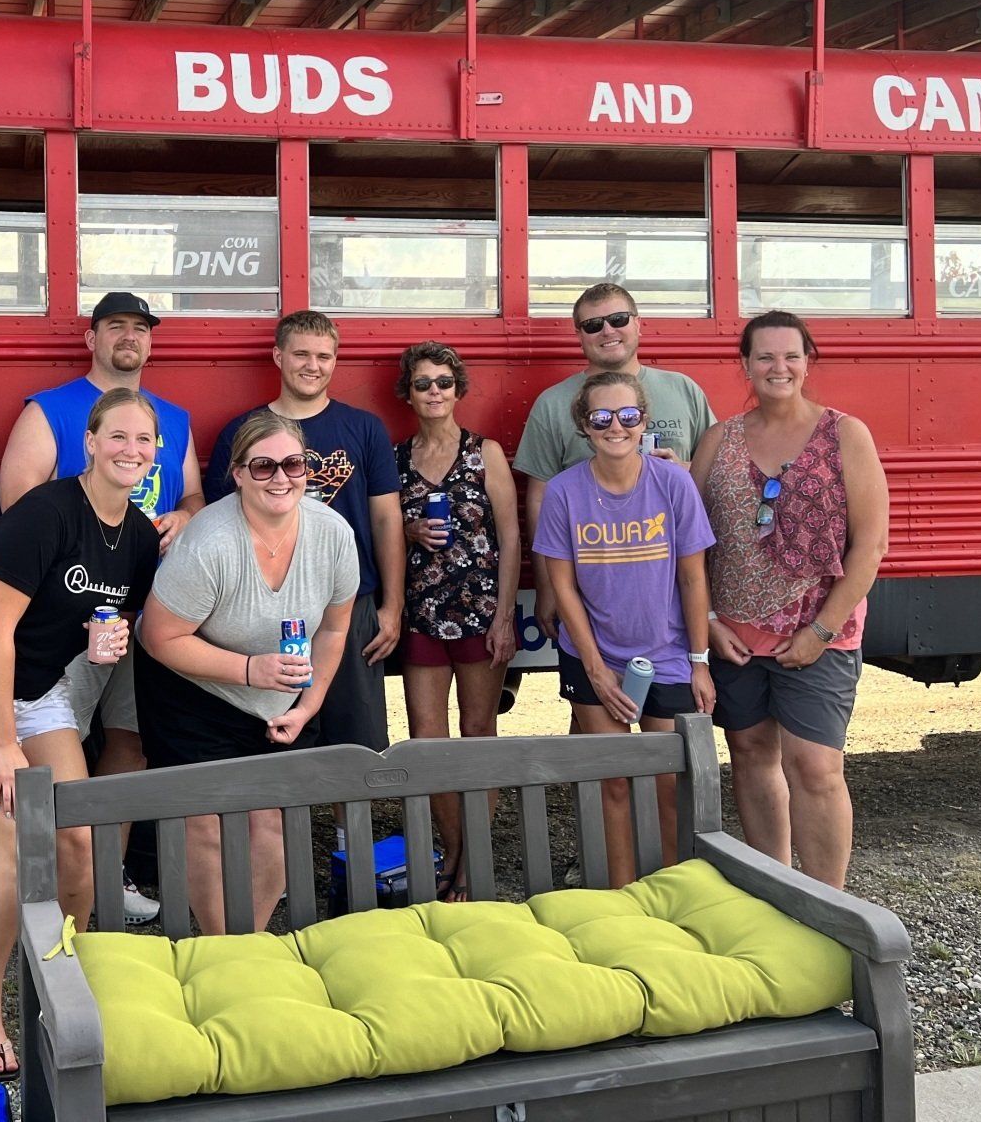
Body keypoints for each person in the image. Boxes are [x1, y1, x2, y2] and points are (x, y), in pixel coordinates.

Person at [0, 388, 162, 1082]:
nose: (130, 452)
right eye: (117, 437)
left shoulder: (137, 536)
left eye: (143, 441)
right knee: (24, 849)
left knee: (77, 837)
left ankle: (66, 981)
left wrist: (98, 637)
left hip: (34, 685)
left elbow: (102, 615)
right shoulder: (45, 513)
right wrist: (4, 743)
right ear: (88, 441)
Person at [0, 290, 203, 923]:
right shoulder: (50, 409)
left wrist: (179, 518)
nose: (129, 338)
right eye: (116, 326)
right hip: (73, 617)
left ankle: (103, 880)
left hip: (149, 612)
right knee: (63, 743)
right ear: (91, 338)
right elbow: (19, 507)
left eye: (140, 329)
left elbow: (195, 496)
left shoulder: (171, 416)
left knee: (131, 740)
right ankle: (58, 875)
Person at [137, 411, 358, 932]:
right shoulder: (210, 541)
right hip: (192, 690)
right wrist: (250, 669)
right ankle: (218, 941)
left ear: (309, 469)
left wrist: (308, 705)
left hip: (281, 694)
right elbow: (159, 637)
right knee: (205, 825)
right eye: (263, 467)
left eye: (292, 464)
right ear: (237, 473)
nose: (281, 478)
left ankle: (250, 938)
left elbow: (331, 630)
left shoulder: (333, 534)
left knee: (277, 824)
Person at [691, 311, 889, 890]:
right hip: (734, 632)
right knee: (751, 755)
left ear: (808, 361)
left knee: (817, 768)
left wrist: (821, 631)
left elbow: (871, 543)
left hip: (819, 630)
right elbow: (692, 542)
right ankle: (775, 889)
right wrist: (704, 622)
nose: (779, 367)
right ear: (746, 365)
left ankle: (830, 903)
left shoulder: (844, 434)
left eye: (791, 356)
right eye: (765, 357)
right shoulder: (718, 439)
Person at [533, 370, 717, 888]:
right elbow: (563, 587)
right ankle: (621, 894)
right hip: (595, 656)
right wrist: (595, 669)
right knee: (612, 781)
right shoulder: (566, 492)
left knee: (666, 781)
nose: (617, 426)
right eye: (602, 417)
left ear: (644, 422)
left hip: (668, 653)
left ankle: (673, 891)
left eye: (628, 415)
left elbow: (692, 574)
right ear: (584, 427)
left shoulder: (673, 482)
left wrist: (700, 663)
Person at [206, 310, 404, 767]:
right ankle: (278, 836)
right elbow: (221, 523)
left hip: (349, 601)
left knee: (354, 736)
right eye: (301, 354)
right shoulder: (243, 432)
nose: (312, 365)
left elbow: (386, 521)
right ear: (278, 356)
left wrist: (391, 606)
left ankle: (347, 837)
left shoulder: (365, 428)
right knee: (270, 731)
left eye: (324, 356)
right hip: (265, 603)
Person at [515, 283, 718, 643]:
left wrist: (682, 471)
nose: (607, 330)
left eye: (618, 319)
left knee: (679, 692)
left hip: (675, 582)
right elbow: (540, 498)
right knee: (594, 688)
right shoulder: (552, 403)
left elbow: (719, 474)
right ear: (579, 336)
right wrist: (546, 583)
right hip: (593, 589)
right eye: (593, 325)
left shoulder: (683, 390)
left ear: (639, 324)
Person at [392, 341, 520, 902]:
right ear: (409, 393)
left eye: (444, 382)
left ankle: (471, 863)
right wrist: (408, 531)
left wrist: (504, 615)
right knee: (426, 740)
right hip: (421, 613)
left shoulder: (483, 451)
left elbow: (512, 537)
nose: (434, 392)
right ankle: (454, 853)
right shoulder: (396, 458)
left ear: (458, 389)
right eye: (423, 383)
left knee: (479, 735)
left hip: (478, 611)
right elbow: (382, 530)